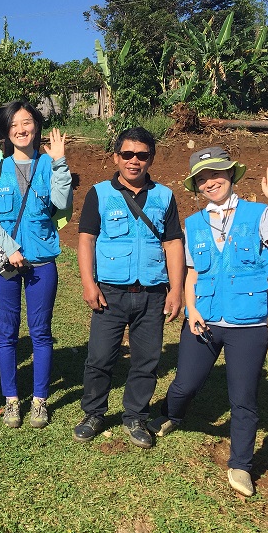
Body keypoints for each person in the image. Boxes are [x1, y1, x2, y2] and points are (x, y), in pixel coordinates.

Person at [148, 147, 268, 497]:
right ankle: (173, 414)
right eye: (202, 178)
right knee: (185, 383)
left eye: (216, 174)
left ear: (231, 175)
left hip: (248, 325)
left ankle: (240, 464)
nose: (210, 181)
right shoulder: (194, 223)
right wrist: (190, 308)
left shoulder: (259, 214)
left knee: (243, 398)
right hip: (205, 319)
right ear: (196, 186)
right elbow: (193, 272)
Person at [74, 126, 185, 449]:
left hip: (152, 293)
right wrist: (88, 283)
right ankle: (93, 412)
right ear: (116, 157)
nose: (134, 161)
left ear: (151, 159)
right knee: (100, 357)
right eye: (127, 154)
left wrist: (176, 290)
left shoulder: (164, 196)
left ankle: (135, 416)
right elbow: (86, 240)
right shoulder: (100, 193)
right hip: (111, 292)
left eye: (142, 155)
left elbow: (173, 243)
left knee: (147, 360)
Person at [0, 101, 72, 428]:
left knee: (41, 333)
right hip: (6, 264)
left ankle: (39, 400)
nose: (21, 129)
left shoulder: (50, 164)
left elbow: (62, 204)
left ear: (36, 126)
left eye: (27, 122)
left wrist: (60, 162)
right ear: (7, 131)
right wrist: (9, 247)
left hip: (42, 263)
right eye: (15, 124)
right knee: (7, 334)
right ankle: (10, 401)